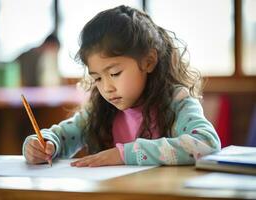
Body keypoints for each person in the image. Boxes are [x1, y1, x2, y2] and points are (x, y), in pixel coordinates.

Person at [22, 5, 221, 167]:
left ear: (148, 61)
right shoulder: (100, 108)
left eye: (115, 73)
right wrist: (43, 145)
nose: (107, 87)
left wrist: (124, 155)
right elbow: (62, 136)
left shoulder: (176, 101)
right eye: (98, 78)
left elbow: (207, 144)